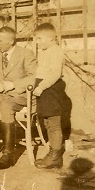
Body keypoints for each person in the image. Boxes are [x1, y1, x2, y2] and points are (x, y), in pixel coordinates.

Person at [0, 26, 37, 169]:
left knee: (6, 106)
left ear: (11, 40)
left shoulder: (25, 54)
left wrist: (13, 84)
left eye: (0, 41)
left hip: (19, 95)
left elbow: (34, 77)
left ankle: (8, 153)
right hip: (0, 95)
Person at [32, 22, 72, 169]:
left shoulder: (56, 51)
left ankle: (55, 156)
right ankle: (53, 152)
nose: (37, 42)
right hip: (44, 91)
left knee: (53, 124)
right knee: (48, 123)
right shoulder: (45, 51)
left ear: (50, 38)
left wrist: (41, 87)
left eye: (39, 39)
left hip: (51, 90)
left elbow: (54, 74)